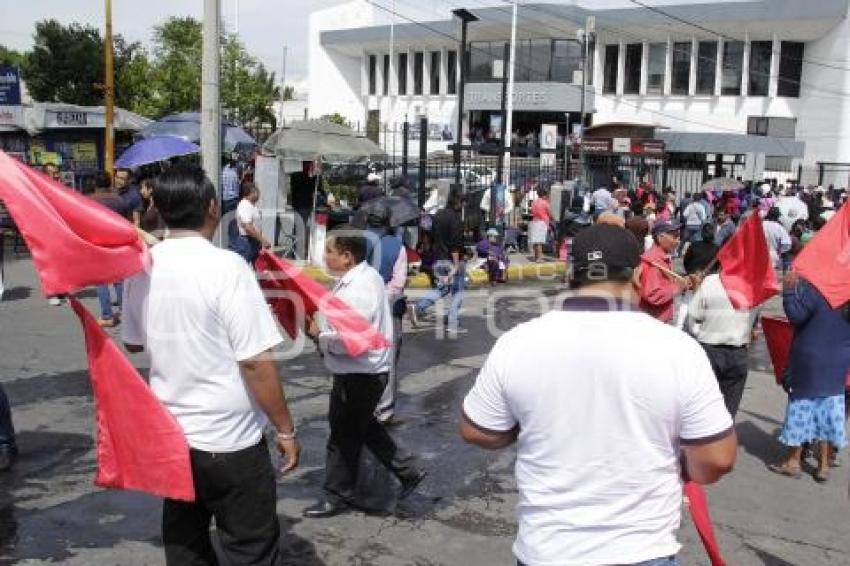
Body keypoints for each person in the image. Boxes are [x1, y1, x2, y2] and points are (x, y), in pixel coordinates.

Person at [460, 224, 736, 566]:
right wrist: (683, 464)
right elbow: (717, 459)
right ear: (637, 275)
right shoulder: (678, 349)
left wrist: (529, 426)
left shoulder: (517, 342)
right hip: (641, 550)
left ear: (570, 274)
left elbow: (476, 429)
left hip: (547, 551)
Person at [121, 165, 299, 564]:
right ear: (213, 208)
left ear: (161, 210)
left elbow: (133, 343)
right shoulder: (227, 267)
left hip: (172, 435)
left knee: (186, 544)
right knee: (250, 547)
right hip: (230, 440)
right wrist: (285, 430)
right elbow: (256, 362)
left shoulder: (142, 267)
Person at [303, 226, 425, 518]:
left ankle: (336, 494)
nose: (324, 257)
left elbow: (350, 341)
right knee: (362, 426)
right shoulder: (361, 277)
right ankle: (408, 471)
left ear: (347, 256)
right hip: (361, 371)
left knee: (343, 434)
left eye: (329, 252)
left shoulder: (358, 288)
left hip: (361, 372)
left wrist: (317, 336)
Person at [769, 273, 850, 483]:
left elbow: (796, 315)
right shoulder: (846, 293)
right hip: (838, 361)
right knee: (828, 410)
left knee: (802, 407)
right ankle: (823, 465)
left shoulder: (818, 290)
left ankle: (794, 460)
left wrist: (788, 291)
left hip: (810, 358)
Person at [687, 256, 758, 418]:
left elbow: (692, 316)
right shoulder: (753, 286)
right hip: (738, 353)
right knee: (728, 412)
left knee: (702, 406)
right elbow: (752, 320)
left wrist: (702, 333)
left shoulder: (711, 281)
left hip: (709, 350)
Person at [364, 206, 409, 425]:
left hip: (361, 308)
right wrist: (382, 297)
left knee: (363, 355)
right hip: (390, 309)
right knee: (388, 359)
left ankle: (365, 405)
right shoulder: (397, 246)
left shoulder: (358, 242)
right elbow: (398, 283)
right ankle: (385, 408)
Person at [410, 192, 466, 335]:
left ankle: (417, 307)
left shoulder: (438, 216)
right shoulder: (456, 219)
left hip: (439, 258)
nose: (463, 206)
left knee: (442, 289)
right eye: (463, 203)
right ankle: (453, 322)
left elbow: (430, 235)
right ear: (458, 203)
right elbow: (455, 244)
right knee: (457, 291)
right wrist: (456, 264)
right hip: (451, 260)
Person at [87, 171, 127, 327]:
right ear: (109, 182)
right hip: (116, 243)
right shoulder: (118, 200)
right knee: (119, 280)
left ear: (95, 184)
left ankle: (107, 315)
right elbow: (125, 222)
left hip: (97, 244)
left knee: (101, 281)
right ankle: (125, 312)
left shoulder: (89, 201)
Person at [639, 220, 691, 323]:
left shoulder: (662, 258)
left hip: (658, 318)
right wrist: (678, 286)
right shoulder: (653, 262)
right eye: (674, 237)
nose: (678, 241)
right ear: (660, 237)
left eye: (678, 237)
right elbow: (653, 295)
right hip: (654, 320)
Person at [229, 181, 270, 265]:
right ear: (252, 192)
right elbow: (248, 227)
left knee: (259, 269)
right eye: (257, 191)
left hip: (253, 242)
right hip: (246, 243)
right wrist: (262, 240)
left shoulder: (251, 205)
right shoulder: (245, 206)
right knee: (242, 269)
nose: (259, 194)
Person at [528, 187, 551, 262]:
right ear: (544, 195)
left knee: (535, 241)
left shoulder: (534, 202)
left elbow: (532, 211)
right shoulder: (545, 203)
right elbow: (549, 213)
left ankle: (535, 256)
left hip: (535, 222)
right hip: (542, 223)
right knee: (540, 242)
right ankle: (539, 258)